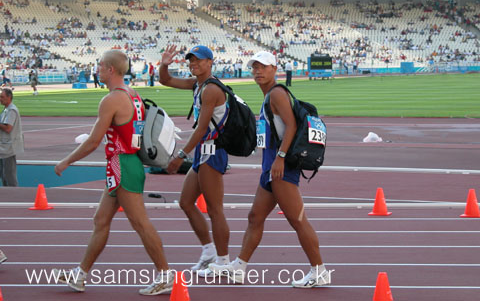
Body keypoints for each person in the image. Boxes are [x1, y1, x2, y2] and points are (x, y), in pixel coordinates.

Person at [53, 50, 175, 295]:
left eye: (99, 66)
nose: (97, 70)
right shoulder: (134, 95)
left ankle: (165, 274)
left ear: (110, 69)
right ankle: (80, 274)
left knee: (140, 223)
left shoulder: (111, 100)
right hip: (127, 163)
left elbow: (92, 142)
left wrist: (66, 161)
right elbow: (135, 135)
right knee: (100, 220)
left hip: (122, 165)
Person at [209, 51, 332, 288]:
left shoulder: (276, 93)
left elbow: (293, 125)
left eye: (263, 67)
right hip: (271, 170)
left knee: (298, 220)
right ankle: (239, 267)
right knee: (255, 217)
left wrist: (281, 158)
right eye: (254, 67)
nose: (258, 71)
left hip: (281, 168)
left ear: (275, 69)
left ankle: (320, 271)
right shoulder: (269, 96)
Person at [159, 44, 231, 277]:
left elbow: (201, 129)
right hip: (203, 151)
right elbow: (166, 81)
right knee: (186, 202)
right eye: (191, 60)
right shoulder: (197, 85)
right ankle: (209, 252)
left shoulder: (210, 89)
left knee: (214, 209)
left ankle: (223, 262)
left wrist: (181, 156)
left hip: (213, 149)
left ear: (210, 62)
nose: (193, 64)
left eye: (198, 60)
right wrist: (164, 64)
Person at [0, 88, 24, 187]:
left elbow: (8, 128)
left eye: (2, 97)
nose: (0, 99)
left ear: (9, 97)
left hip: (8, 148)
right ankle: (8, 194)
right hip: (4, 147)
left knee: (9, 175)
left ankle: (14, 195)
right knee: (4, 174)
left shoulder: (11, 110)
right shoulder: (6, 109)